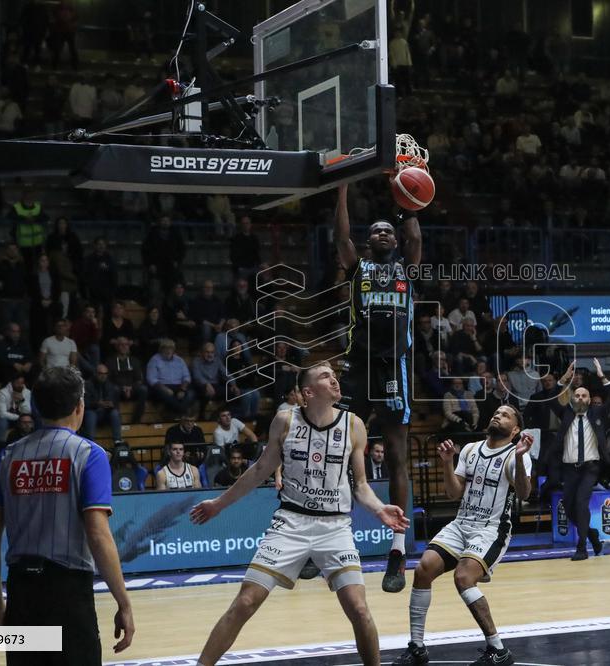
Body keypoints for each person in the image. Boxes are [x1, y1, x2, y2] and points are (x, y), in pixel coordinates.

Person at [189, 361, 409, 666]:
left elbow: (360, 485)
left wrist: (379, 508)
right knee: (246, 601)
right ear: (308, 392)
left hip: (335, 527)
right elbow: (259, 471)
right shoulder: (285, 421)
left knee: (359, 609)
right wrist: (218, 504)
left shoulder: (354, 424)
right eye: (325, 376)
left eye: (334, 375)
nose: (334, 380)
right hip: (290, 523)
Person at [0, 366, 135, 665]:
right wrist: (124, 603)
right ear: (79, 406)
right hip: (68, 591)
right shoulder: (90, 454)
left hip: (21, 589)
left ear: (36, 407)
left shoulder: (8, 456)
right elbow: (98, 534)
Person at [392, 405, 531, 666]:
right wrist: (447, 463)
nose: (497, 415)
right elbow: (453, 493)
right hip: (461, 523)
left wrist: (522, 458)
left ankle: (499, 650)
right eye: (496, 412)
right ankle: (417, 647)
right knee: (423, 570)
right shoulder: (469, 449)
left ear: (515, 430)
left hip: (491, 529)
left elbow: (524, 493)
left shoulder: (516, 455)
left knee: (463, 578)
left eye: (505, 415)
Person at [335, 182, 421, 592]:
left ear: (395, 240)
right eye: (376, 231)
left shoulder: (407, 268)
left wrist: (410, 201)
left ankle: (398, 552)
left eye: (388, 230)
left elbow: (415, 237)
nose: (383, 234)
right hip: (357, 367)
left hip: (393, 367)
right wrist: (341, 190)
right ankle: (328, 539)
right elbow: (341, 237)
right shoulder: (358, 269)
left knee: (398, 457)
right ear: (368, 241)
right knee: (339, 452)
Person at [551, 360, 610, 561]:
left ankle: (582, 547)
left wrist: (602, 376)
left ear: (589, 400)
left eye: (584, 396)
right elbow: (551, 400)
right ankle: (591, 534)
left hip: (590, 467)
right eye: (577, 395)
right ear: (572, 398)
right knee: (569, 507)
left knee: (581, 503)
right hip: (569, 468)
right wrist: (562, 381)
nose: (580, 398)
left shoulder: (598, 412)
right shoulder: (566, 412)